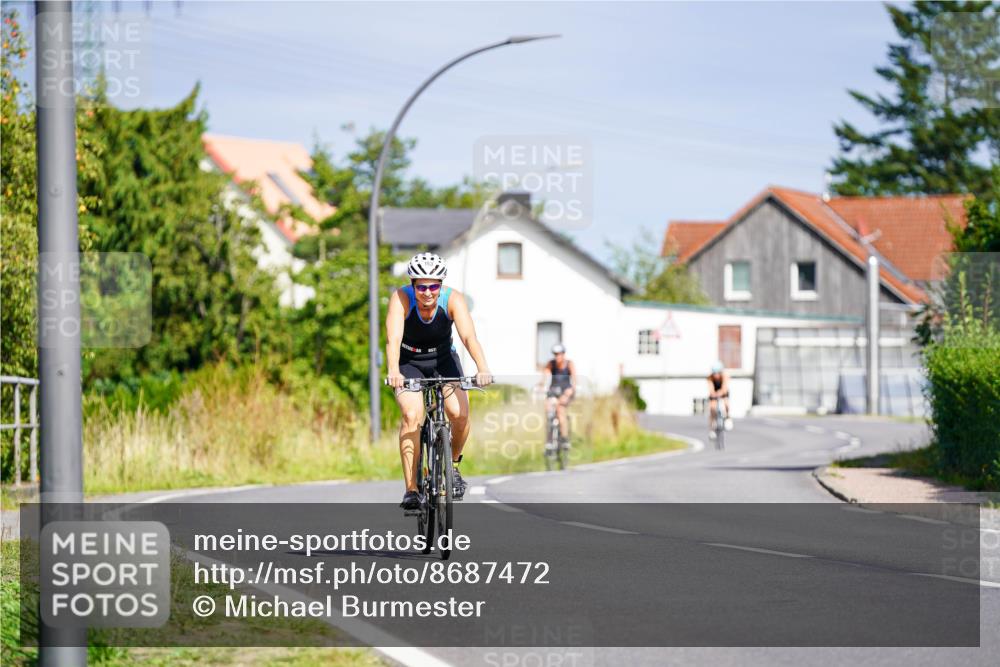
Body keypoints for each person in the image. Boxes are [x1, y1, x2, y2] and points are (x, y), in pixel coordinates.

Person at [385, 252, 493, 510]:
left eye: (434, 286)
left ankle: (452, 465)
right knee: (412, 416)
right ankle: (411, 489)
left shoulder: (453, 299)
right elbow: (393, 339)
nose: (428, 292)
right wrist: (393, 370)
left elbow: (469, 337)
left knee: (459, 413)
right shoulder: (401, 299)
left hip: (444, 359)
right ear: (413, 286)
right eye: (422, 286)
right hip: (409, 363)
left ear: (441, 285)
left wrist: (482, 367)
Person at [542, 343, 576, 450]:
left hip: (566, 392)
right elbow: (545, 376)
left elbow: (574, 380)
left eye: (559, 354)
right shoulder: (551, 364)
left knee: (560, 410)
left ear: (563, 354)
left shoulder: (569, 364)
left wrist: (571, 390)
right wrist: (541, 385)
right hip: (553, 391)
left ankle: (565, 439)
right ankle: (549, 439)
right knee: (548, 410)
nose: (557, 357)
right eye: (555, 354)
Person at [707, 360, 733, 439]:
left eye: (717, 373)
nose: (716, 375)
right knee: (712, 408)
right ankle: (712, 429)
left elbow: (724, 389)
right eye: (714, 373)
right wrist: (714, 394)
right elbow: (711, 389)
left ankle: (728, 417)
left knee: (726, 403)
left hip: (723, 392)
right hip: (714, 392)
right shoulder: (710, 378)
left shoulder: (725, 376)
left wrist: (720, 393)